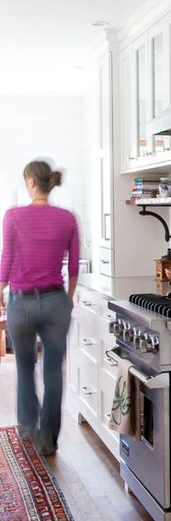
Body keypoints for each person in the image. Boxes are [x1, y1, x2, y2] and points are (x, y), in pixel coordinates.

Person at [0, 160, 79, 456]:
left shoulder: (13, 216)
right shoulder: (67, 218)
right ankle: (48, 439)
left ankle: (28, 427)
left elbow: (6, 262)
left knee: (24, 367)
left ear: (31, 182)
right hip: (55, 301)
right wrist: (67, 298)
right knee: (53, 370)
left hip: (22, 302)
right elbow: (73, 267)